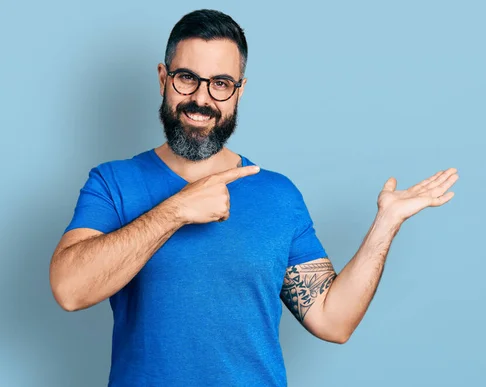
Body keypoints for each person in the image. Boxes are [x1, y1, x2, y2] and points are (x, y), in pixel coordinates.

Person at [49, 9, 459, 387]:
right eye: (187, 78)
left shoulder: (277, 195)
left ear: (239, 91)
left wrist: (385, 225)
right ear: (163, 78)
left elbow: (334, 321)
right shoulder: (113, 182)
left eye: (221, 84)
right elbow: (70, 290)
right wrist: (175, 211)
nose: (202, 99)